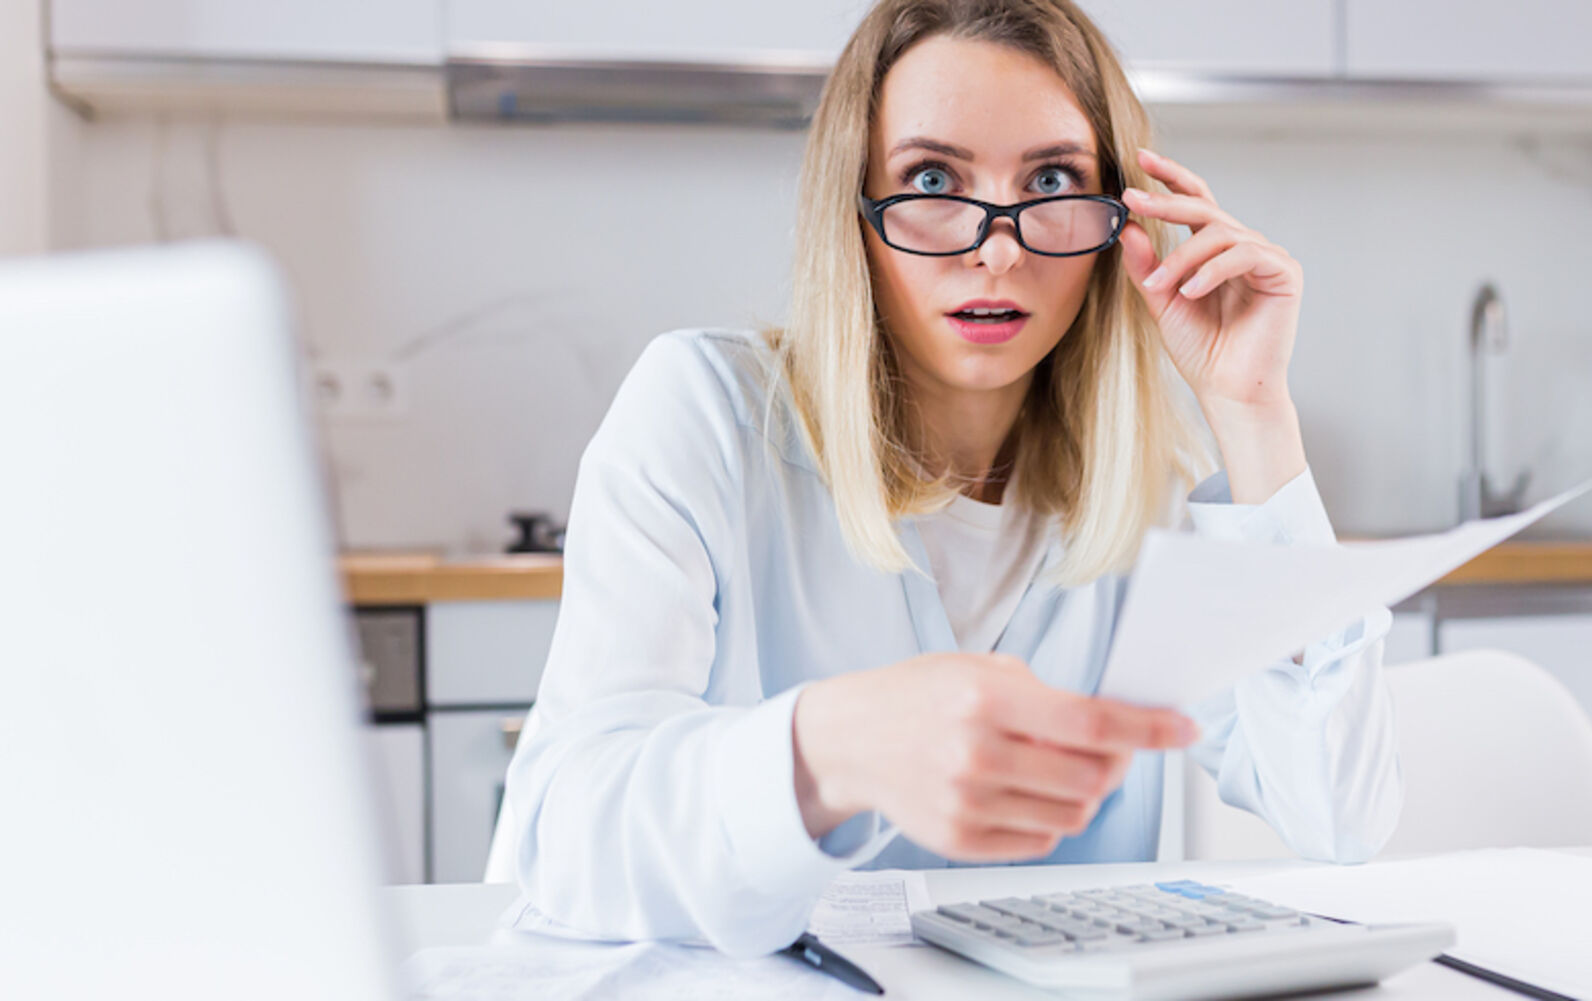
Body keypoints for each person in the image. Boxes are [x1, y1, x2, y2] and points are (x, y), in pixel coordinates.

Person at [499, 0, 1400, 959]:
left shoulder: (1150, 495)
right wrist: (828, 747)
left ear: (1118, 221)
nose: (998, 247)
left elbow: (1339, 814)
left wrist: (1254, 413)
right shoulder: (705, 414)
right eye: (932, 178)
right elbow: (563, 836)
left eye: (1051, 179)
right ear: (854, 212)